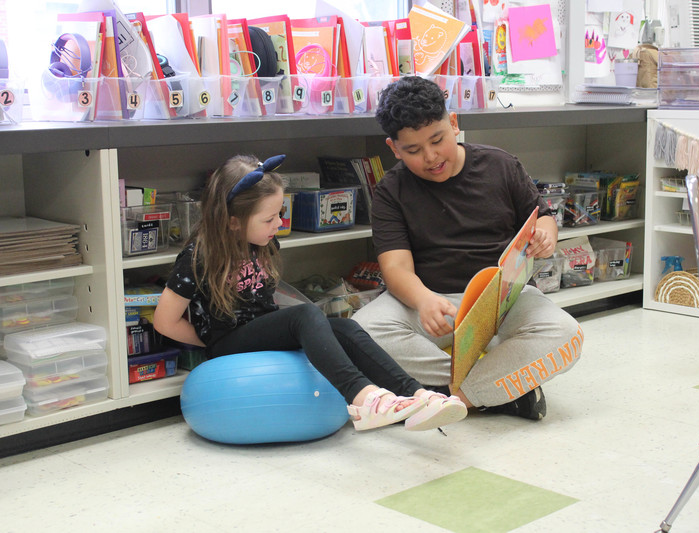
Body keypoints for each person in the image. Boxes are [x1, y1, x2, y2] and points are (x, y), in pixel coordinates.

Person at [153, 153, 467, 432]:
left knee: (345, 326)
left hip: (260, 332)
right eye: (269, 218)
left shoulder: (262, 242)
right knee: (304, 315)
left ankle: (415, 393)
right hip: (227, 344)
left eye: (279, 213)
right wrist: (208, 339)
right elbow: (164, 322)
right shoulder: (199, 256)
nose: (279, 222)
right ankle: (364, 398)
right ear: (233, 222)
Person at [352, 76, 584, 421]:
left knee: (566, 333)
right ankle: (499, 389)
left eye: (438, 140)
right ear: (394, 148)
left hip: (504, 297)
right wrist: (424, 300)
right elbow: (396, 268)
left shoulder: (500, 165)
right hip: (433, 299)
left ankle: (453, 398)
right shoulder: (391, 191)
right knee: (361, 333)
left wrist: (545, 236)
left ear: (455, 123)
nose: (430, 157)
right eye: (413, 151)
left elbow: (543, 217)